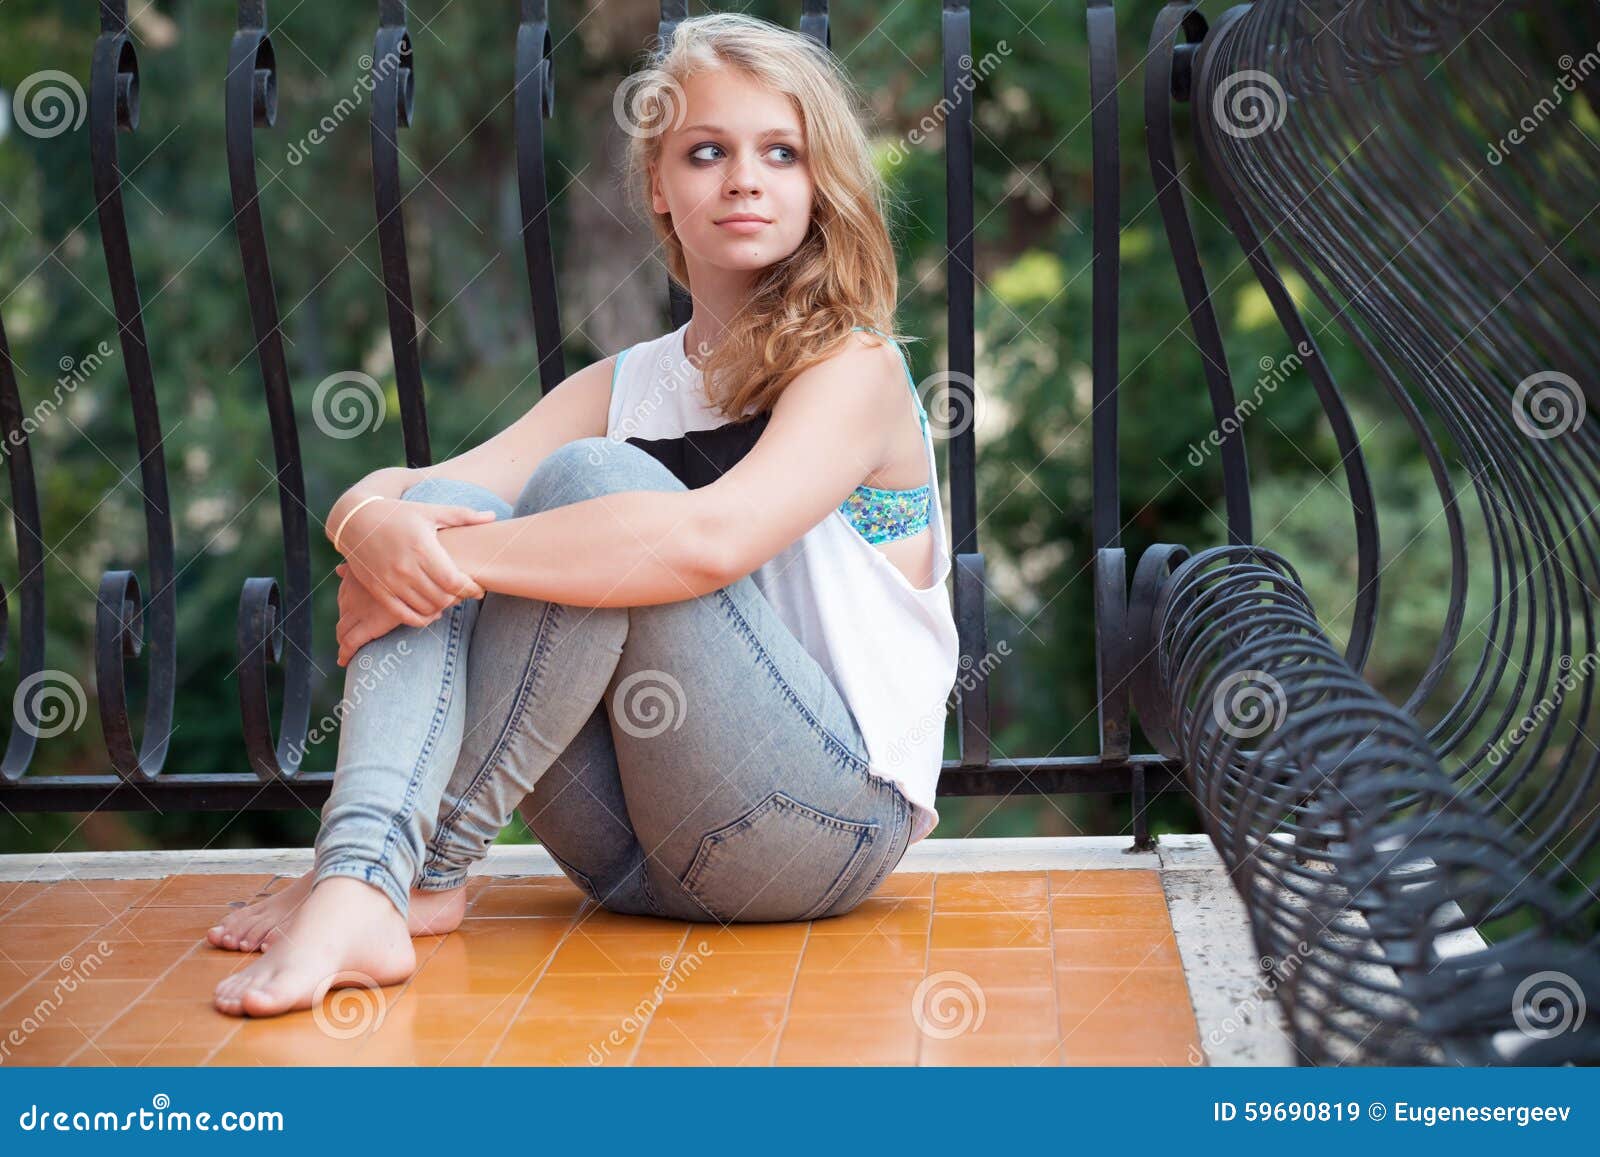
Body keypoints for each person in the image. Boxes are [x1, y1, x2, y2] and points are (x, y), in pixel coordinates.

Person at [208, 11, 959, 1018]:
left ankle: (384, 875)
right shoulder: (632, 380)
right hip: (623, 852)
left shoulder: (853, 368)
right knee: (451, 506)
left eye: (781, 152)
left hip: (811, 828)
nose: (744, 178)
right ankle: (373, 876)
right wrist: (372, 529)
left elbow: (707, 541)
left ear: (820, 182)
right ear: (658, 185)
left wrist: (449, 561)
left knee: (588, 488)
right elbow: (411, 489)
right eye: (706, 152)